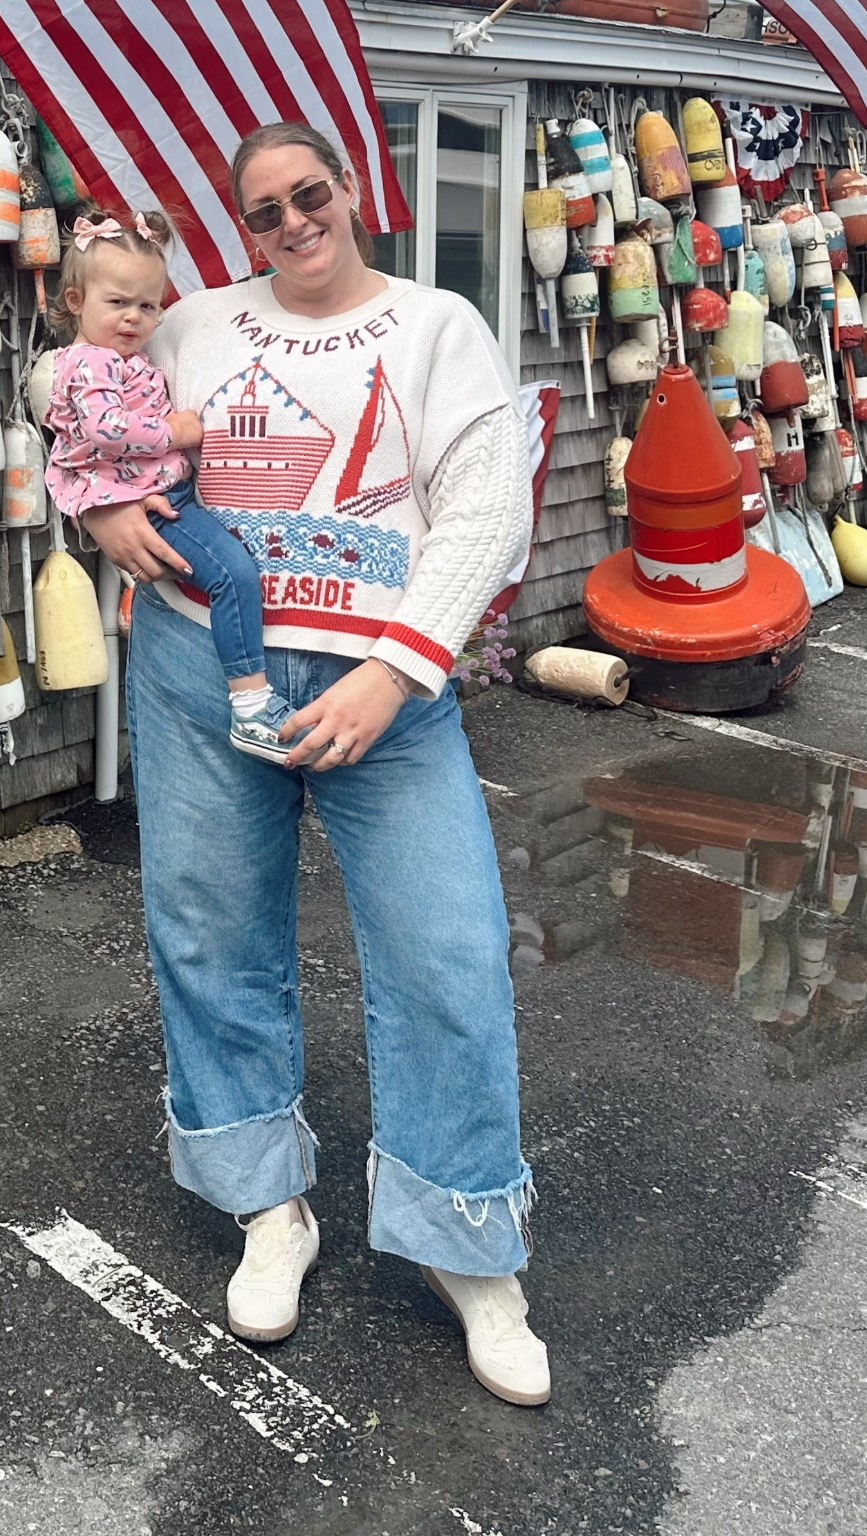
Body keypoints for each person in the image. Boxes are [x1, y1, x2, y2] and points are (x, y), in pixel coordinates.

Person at [80, 122, 548, 1406]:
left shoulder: (434, 323)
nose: (291, 225)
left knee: (445, 946)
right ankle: (265, 1208)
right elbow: (59, 389)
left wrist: (397, 667)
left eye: (309, 196)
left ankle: (468, 1249)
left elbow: (488, 502)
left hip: (375, 689)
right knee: (210, 932)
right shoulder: (191, 326)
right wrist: (101, 503)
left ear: (350, 192)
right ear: (241, 229)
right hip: (195, 670)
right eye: (263, 212)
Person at [44, 208, 297, 762]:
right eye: (117, 303)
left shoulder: (121, 358)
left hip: (163, 495)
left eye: (148, 306)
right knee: (233, 574)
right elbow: (105, 430)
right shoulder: (89, 365)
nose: (134, 318)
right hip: (157, 505)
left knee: (232, 571)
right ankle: (251, 705)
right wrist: (174, 432)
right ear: (74, 302)